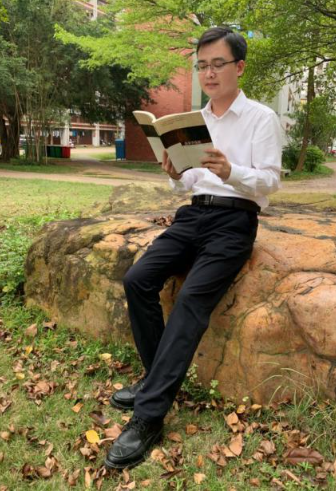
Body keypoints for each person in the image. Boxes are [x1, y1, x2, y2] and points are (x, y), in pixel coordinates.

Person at [105, 26, 282, 470]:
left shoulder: (261, 118)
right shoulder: (195, 120)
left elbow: (270, 181)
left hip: (234, 221)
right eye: (202, 65)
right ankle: (156, 380)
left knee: (189, 303)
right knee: (138, 279)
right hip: (192, 216)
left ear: (240, 67)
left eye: (218, 64)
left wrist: (231, 171)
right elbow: (188, 182)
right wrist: (174, 173)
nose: (209, 73)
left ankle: (149, 416)